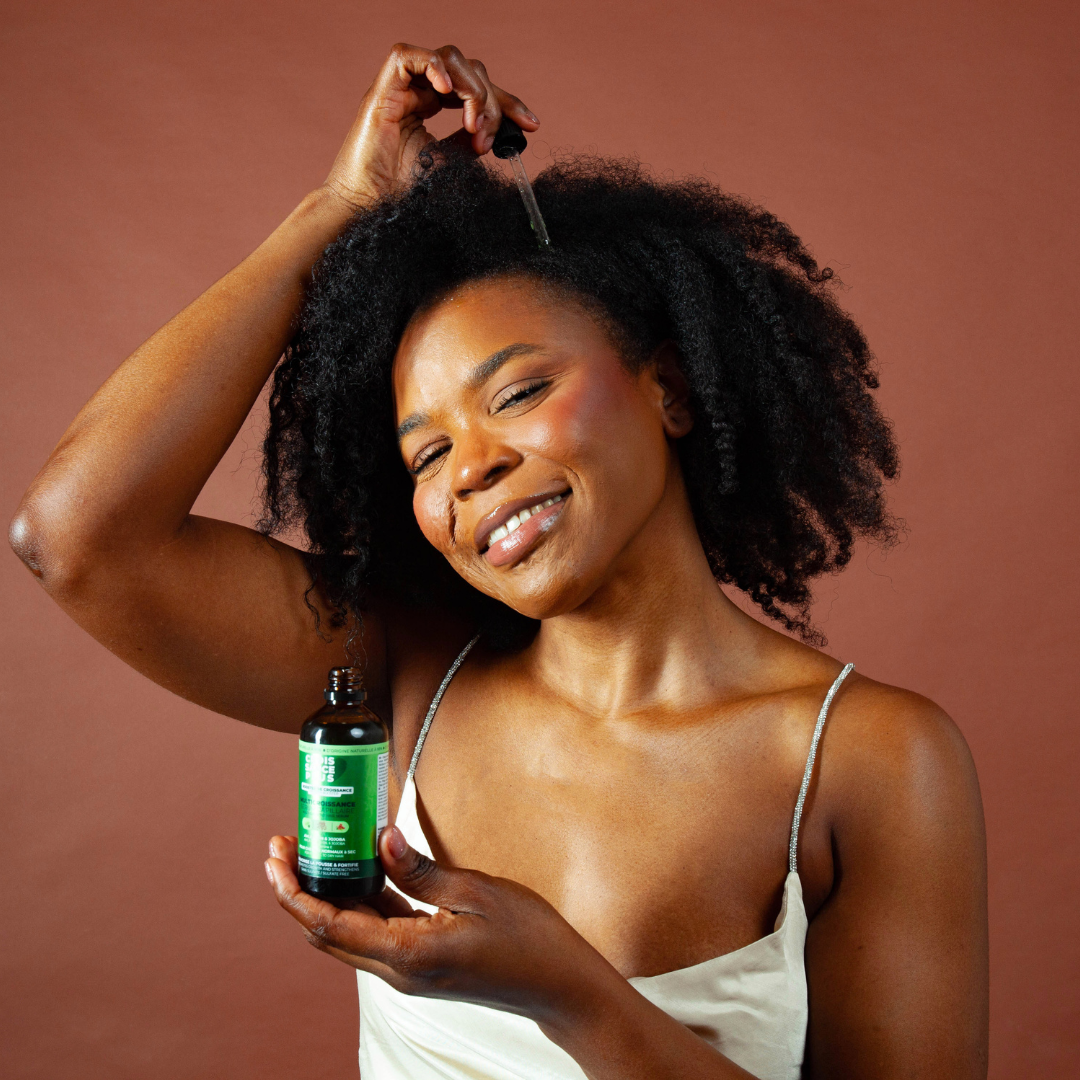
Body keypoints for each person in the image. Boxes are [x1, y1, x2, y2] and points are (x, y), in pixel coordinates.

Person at [10, 43, 988, 1080]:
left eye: (517, 394)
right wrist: (338, 207)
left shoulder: (870, 761)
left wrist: (567, 994)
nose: (470, 467)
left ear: (672, 389)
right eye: (425, 452)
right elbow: (76, 538)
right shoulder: (417, 667)